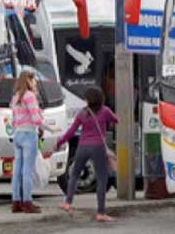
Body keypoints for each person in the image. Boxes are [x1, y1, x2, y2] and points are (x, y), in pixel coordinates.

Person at [55, 86, 119, 222]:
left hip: (83, 146)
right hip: (98, 147)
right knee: (102, 179)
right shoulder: (105, 111)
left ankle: (68, 203)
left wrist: (60, 142)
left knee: (74, 175)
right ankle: (101, 213)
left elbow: (71, 131)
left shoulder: (82, 114)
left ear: (88, 100)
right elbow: (116, 120)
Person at [10, 69, 57, 214]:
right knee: (27, 171)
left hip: (17, 134)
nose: (35, 82)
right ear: (29, 80)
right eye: (34, 79)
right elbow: (36, 119)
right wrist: (51, 128)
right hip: (29, 135)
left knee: (17, 171)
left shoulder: (16, 97)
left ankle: (16, 202)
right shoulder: (30, 96)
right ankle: (27, 202)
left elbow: (13, 120)